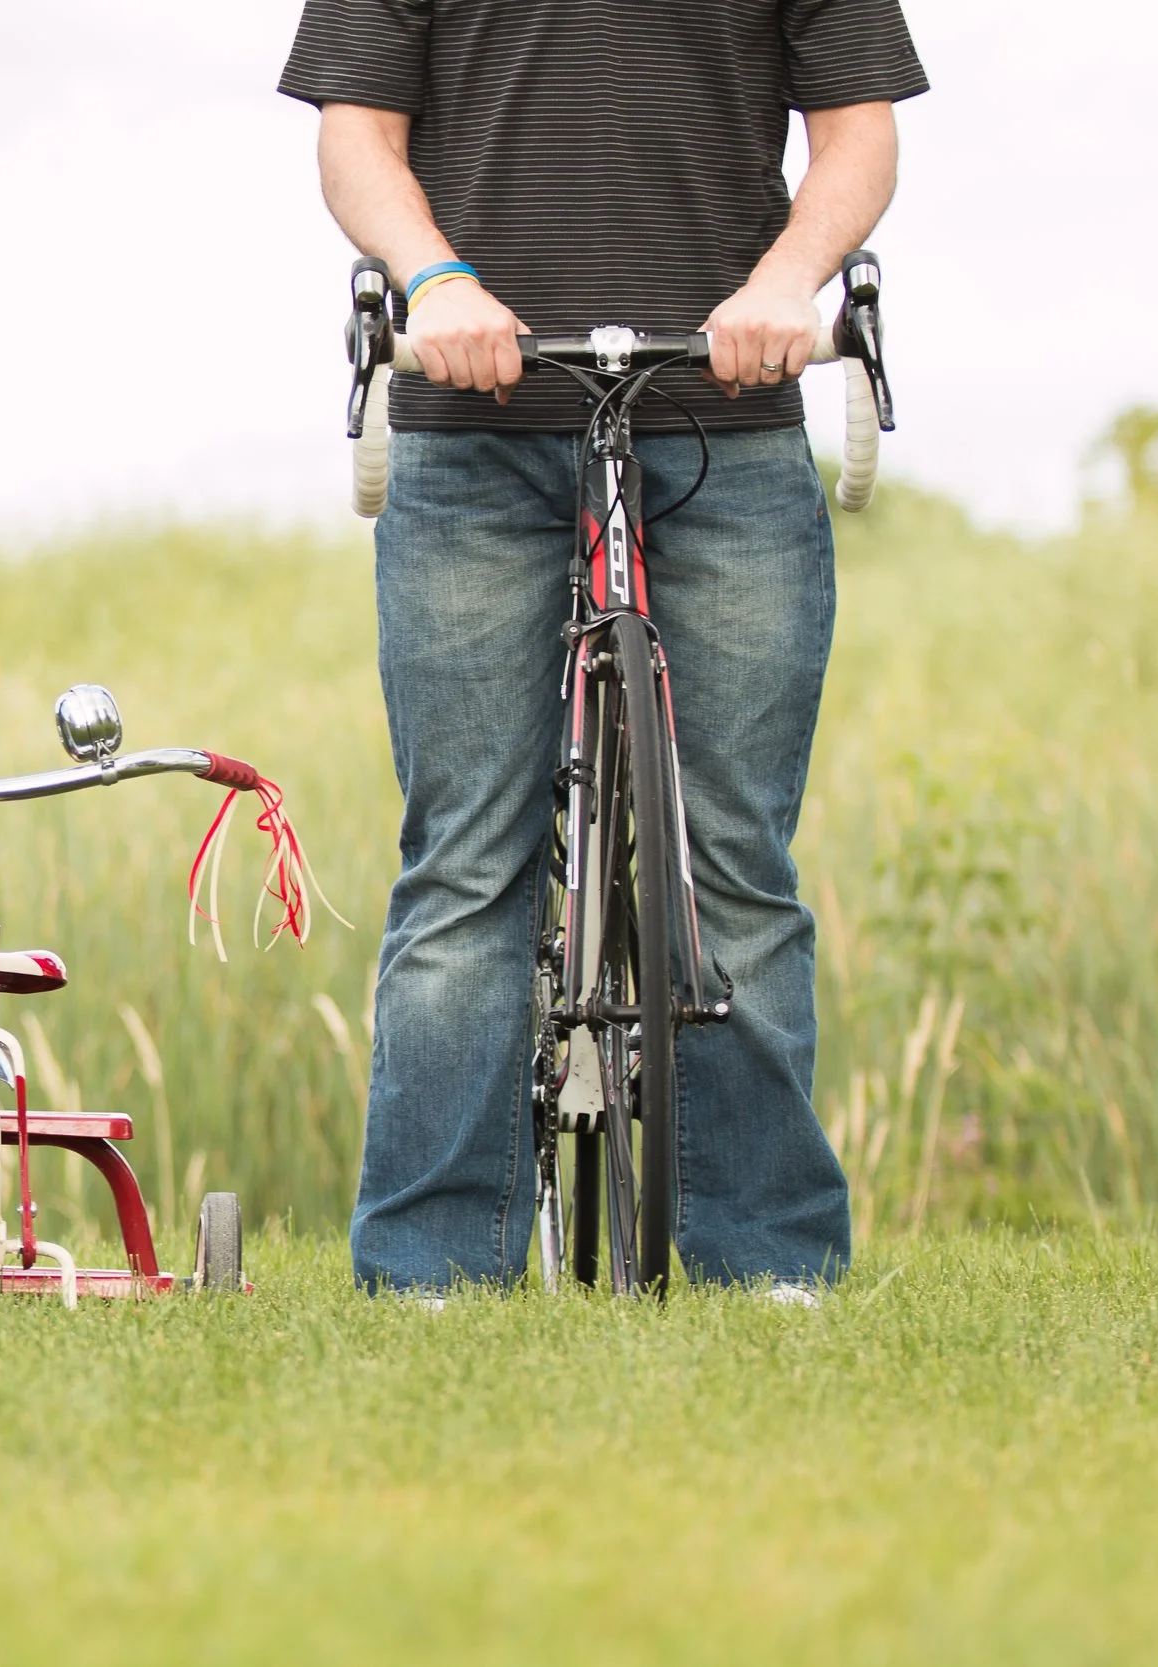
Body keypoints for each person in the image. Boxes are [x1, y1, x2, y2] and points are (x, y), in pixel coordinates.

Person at [279, 1, 927, 1292]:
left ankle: (769, 1269)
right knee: (466, 863)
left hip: (727, 425)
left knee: (735, 860)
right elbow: (358, 137)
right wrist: (437, 279)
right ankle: (432, 1280)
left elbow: (857, 134)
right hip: (472, 425)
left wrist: (787, 280)